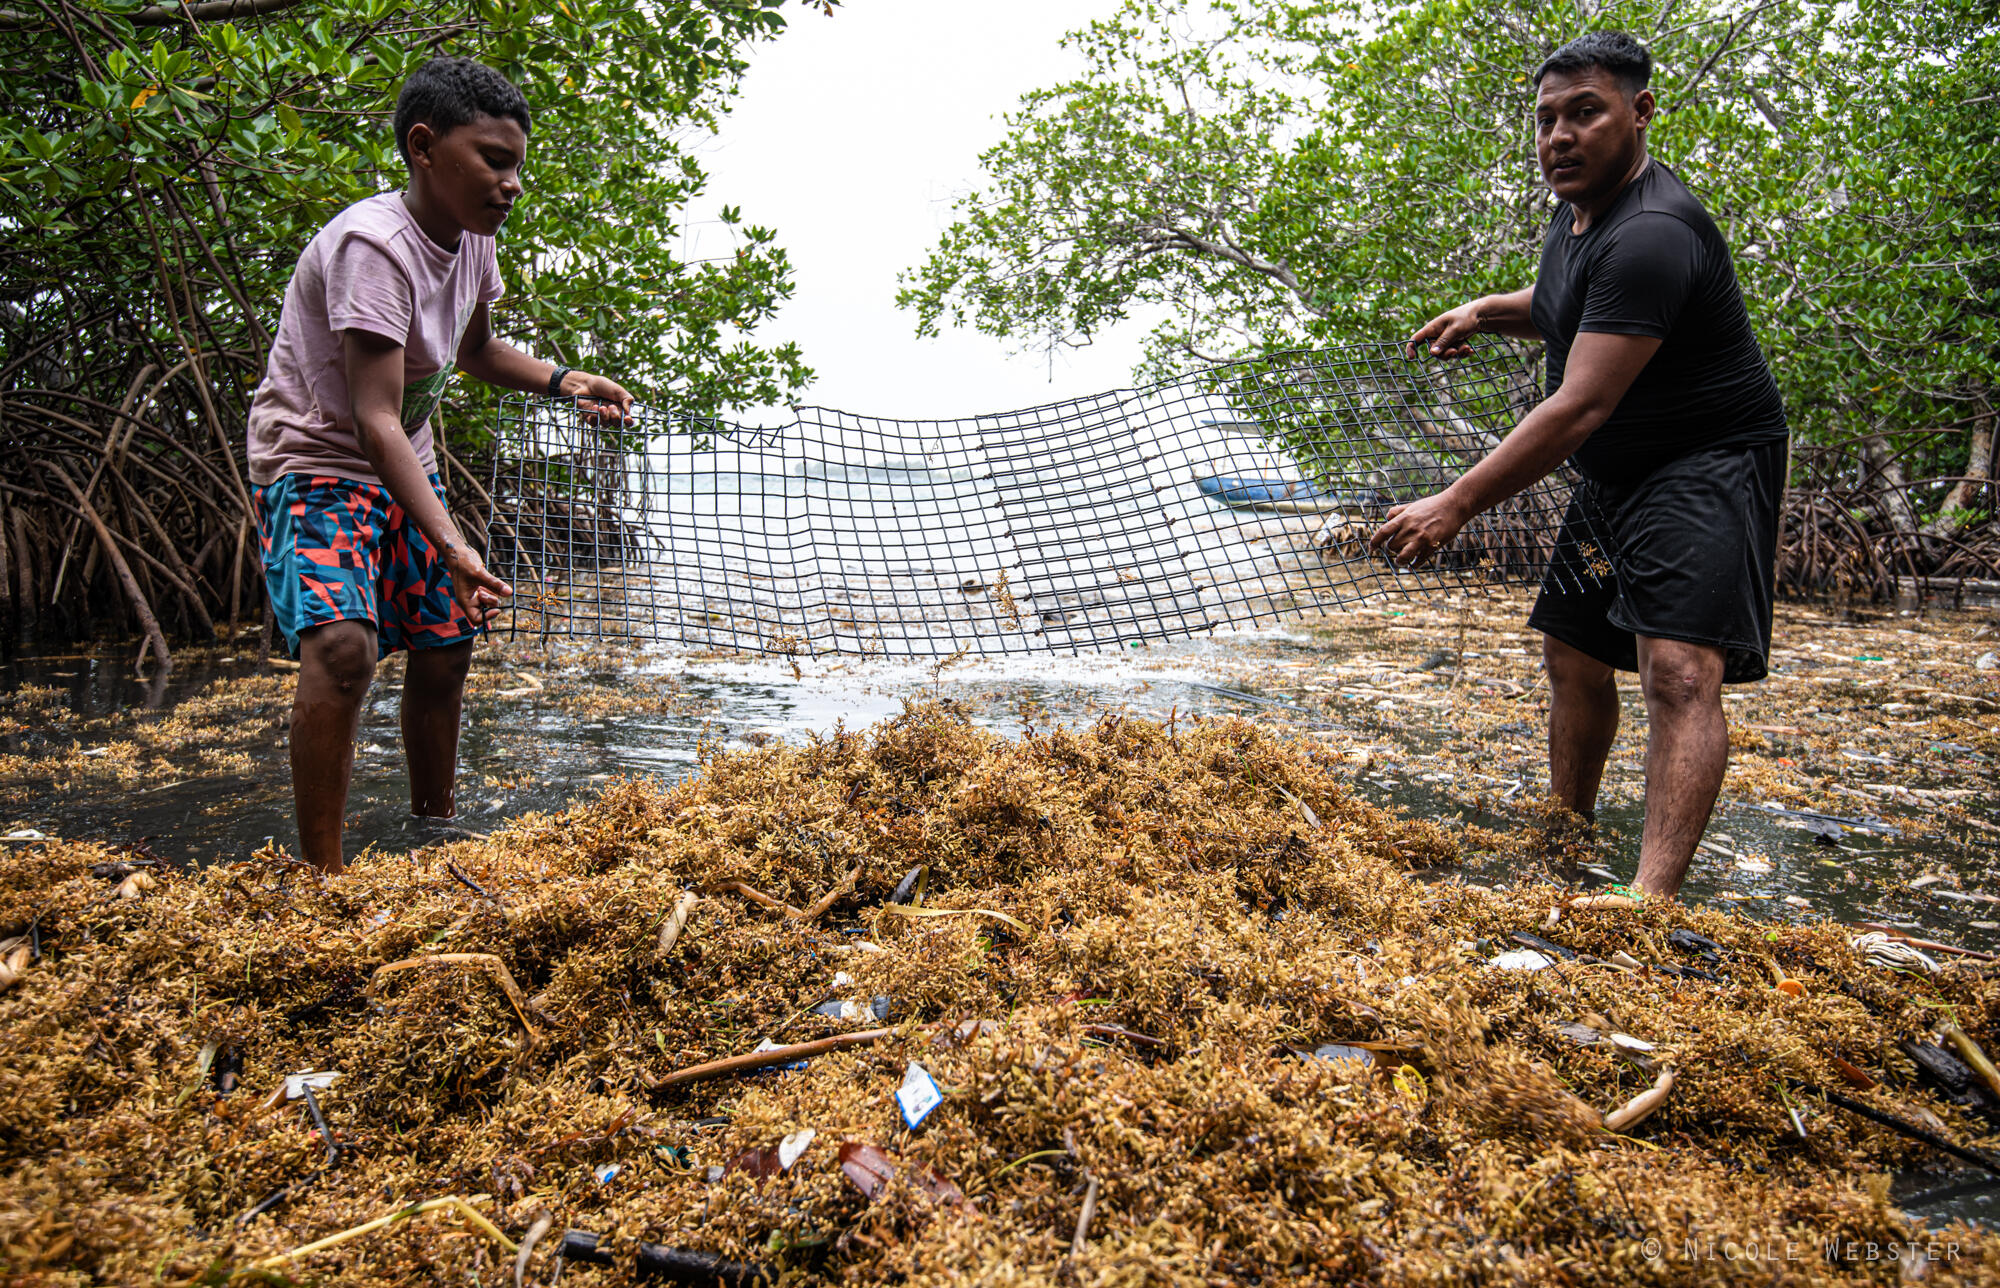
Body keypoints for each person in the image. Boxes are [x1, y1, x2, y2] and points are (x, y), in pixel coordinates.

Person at [1369, 31, 1788, 900]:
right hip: (1619, 475)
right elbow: (1566, 302)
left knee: (1678, 670)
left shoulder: (1654, 234)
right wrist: (1486, 311)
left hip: (1703, 466)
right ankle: (1565, 839)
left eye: (1586, 113)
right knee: (1573, 652)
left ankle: (1647, 900)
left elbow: (1579, 406)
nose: (1560, 136)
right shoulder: (1579, 212)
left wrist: (1456, 502)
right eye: (1547, 118)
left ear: (1639, 113)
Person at [248, 57, 632, 873]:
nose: (512, 182)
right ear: (425, 147)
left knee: (448, 641)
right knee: (346, 649)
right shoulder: (372, 247)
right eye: (493, 159)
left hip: (401, 464)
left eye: (517, 163)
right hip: (316, 465)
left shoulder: (471, 243)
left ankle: (434, 835)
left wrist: (566, 381)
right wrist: (455, 545)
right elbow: (375, 415)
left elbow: (478, 349)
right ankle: (323, 876)